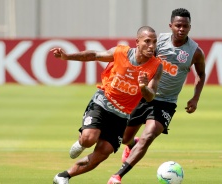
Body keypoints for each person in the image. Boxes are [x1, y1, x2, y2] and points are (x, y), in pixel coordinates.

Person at [51, 26, 163, 184]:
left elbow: (151, 96)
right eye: (147, 41)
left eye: (154, 42)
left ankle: (63, 176)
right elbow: (94, 55)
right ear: (137, 42)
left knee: (103, 153)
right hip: (102, 103)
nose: (152, 46)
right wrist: (66, 56)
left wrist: (144, 87)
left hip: (121, 115)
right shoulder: (120, 52)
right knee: (89, 139)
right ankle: (82, 141)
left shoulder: (156, 66)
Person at [107, 8, 206, 184]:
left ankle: (117, 176)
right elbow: (141, 59)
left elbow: (201, 74)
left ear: (190, 27)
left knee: (148, 136)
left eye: (185, 26)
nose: (181, 29)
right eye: (178, 25)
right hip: (144, 95)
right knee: (125, 138)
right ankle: (131, 144)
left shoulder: (195, 51)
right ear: (171, 26)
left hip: (166, 102)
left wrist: (195, 97)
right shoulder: (157, 41)